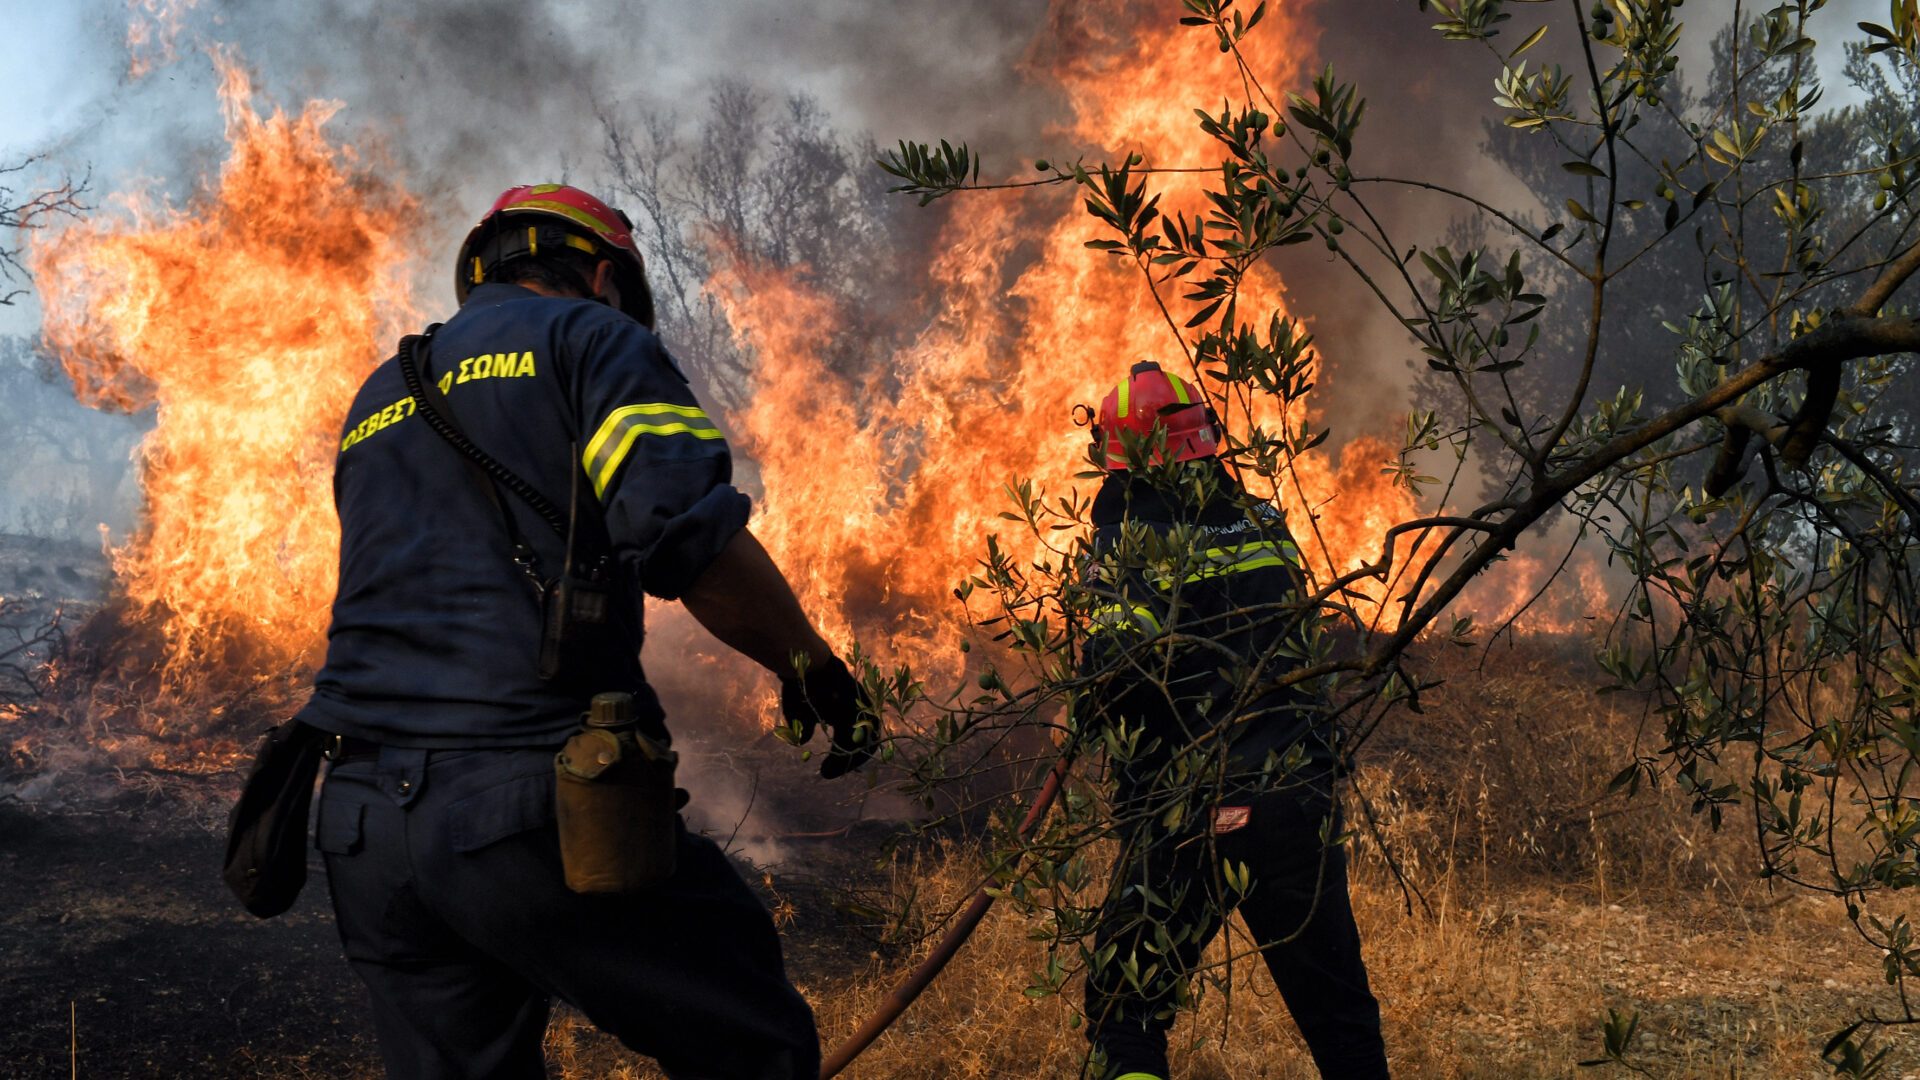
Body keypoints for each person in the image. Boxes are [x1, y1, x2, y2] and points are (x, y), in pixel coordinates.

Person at [299, 183, 873, 1080]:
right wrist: (813, 668)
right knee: (749, 1035)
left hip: (362, 829)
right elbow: (691, 544)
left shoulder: (381, 395)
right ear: (604, 277)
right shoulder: (593, 341)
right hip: (522, 800)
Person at [1073, 360, 1390, 1080]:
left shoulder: (1132, 544)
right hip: (1295, 798)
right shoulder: (1264, 523)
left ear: (1124, 458)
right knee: (1340, 1017)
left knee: (1129, 1009)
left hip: (1193, 807)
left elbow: (1118, 682)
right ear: (1208, 443)